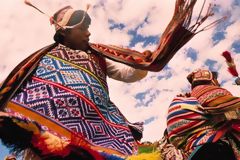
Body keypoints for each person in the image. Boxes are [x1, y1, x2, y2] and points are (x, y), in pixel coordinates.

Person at [0, 0, 218, 159]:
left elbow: (126, 74)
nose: (88, 33)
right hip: (46, 134)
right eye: (82, 28)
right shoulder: (44, 57)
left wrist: (142, 63)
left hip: (93, 132)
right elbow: (18, 86)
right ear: (64, 32)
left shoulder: (99, 57)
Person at [167, 69, 240, 160]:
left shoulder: (192, 96)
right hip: (212, 149)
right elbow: (234, 108)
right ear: (211, 79)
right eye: (216, 80)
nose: (218, 83)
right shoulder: (206, 90)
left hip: (193, 151)